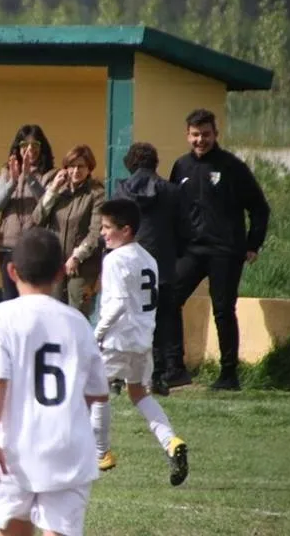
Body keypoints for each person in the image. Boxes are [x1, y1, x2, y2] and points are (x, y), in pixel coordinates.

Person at [0, 227, 109, 536]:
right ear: (62, 272)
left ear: (12, 270)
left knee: (12, 529)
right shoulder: (78, 322)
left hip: (15, 447)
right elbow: (98, 393)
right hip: (67, 445)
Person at [168, 109, 270, 391]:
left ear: (216, 134)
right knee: (169, 299)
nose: (201, 140)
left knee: (223, 309)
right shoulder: (181, 167)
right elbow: (173, 207)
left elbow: (259, 208)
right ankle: (175, 367)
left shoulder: (232, 167)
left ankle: (228, 375)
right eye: (195, 135)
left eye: (206, 134)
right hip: (191, 250)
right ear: (188, 135)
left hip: (225, 250)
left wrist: (253, 243)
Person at [90, 199, 189, 485]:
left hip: (117, 339)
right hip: (143, 339)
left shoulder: (114, 259)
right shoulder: (148, 258)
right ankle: (171, 442)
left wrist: (97, 333)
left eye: (108, 228)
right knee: (138, 393)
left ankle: (101, 453)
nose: (103, 233)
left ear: (126, 229)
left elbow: (118, 303)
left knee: (97, 393)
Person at [113, 142, 192, 396]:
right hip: (163, 265)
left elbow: (113, 230)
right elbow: (184, 230)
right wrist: (174, 255)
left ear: (130, 164)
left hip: (129, 264)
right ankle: (159, 376)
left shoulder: (121, 192)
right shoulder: (172, 192)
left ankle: (119, 375)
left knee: (126, 320)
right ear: (155, 163)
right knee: (160, 322)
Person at [30, 144, 105, 318]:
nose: (76, 171)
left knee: (77, 314)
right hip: (56, 262)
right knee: (54, 313)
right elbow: (37, 218)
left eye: (81, 166)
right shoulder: (59, 191)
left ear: (89, 168)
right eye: (72, 166)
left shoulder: (96, 193)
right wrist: (53, 189)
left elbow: (95, 232)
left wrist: (77, 257)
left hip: (82, 266)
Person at [0, 125, 56, 301]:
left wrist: (29, 177)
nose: (29, 150)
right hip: (8, 245)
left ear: (42, 148)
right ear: (17, 149)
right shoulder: (7, 170)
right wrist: (13, 181)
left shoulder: (49, 174)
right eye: (24, 145)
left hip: (34, 245)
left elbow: (47, 204)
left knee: (32, 297)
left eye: (35, 145)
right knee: (10, 297)